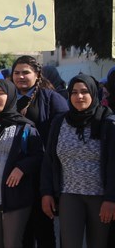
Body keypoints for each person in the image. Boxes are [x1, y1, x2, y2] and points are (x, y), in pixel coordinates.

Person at [41, 74, 115, 248]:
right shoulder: (60, 122)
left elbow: (113, 165)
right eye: (74, 92)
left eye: (84, 92)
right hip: (69, 196)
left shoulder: (107, 124)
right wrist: (46, 192)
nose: (79, 96)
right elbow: (49, 160)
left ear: (94, 94)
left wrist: (111, 199)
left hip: (100, 198)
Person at [0, 80, 44, 248]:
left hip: (15, 194)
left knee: (12, 243)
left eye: (1, 93)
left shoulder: (24, 127)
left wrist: (22, 168)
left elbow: (39, 155)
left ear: (11, 96)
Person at [11, 55, 68, 248]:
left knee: (43, 228)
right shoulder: (7, 97)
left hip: (42, 174)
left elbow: (62, 134)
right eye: (16, 73)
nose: (20, 77)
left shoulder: (52, 99)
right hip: (15, 174)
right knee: (21, 230)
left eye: (26, 72)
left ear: (37, 75)